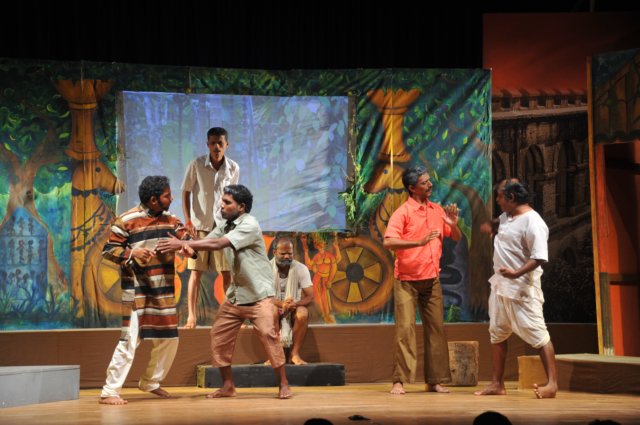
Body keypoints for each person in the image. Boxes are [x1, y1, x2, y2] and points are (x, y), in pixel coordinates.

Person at [157, 184, 292, 399]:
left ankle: (284, 383)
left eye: (227, 202)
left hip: (259, 296)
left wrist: (181, 242)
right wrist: (188, 248)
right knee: (219, 334)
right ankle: (228, 386)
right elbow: (206, 242)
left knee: (269, 335)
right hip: (236, 296)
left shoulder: (249, 224)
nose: (221, 205)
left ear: (241, 207)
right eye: (222, 201)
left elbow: (218, 243)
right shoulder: (225, 225)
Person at [99, 176, 193, 405]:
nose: (172, 198)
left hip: (162, 290)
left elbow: (187, 239)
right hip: (137, 290)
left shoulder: (171, 220)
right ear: (153, 200)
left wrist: (186, 247)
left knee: (170, 339)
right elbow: (109, 250)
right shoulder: (126, 220)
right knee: (130, 340)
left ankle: (150, 381)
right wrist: (133, 253)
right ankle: (109, 391)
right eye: (167, 196)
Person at [474, 180, 558, 399]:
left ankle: (552, 384)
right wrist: (491, 225)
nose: (497, 201)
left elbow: (539, 257)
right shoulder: (507, 217)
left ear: (511, 198)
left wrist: (516, 273)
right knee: (497, 333)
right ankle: (497, 384)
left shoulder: (533, 222)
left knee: (539, 335)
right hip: (500, 287)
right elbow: (501, 225)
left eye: (500, 197)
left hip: (522, 290)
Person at [383, 166, 462, 395]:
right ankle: (399, 380)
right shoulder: (403, 213)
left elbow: (455, 238)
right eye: (424, 182)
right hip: (406, 280)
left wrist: (453, 225)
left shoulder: (437, 210)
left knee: (436, 330)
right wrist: (418, 242)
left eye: (429, 181)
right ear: (412, 188)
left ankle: (435, 380)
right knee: (405, 330)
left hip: (432, 279)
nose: (430, 185)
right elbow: (389, 242)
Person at [181, 127, 240, 328]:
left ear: (226, 145)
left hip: (222, 227)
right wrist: (188, 220)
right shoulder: (196, 165)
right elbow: (186, 191)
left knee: (226, 273)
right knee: (196, 272)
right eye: (213, 143)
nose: (216, 147)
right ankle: (191, 317)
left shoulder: (233, 168)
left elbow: (232, 197)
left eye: (220, 143)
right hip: (199, 226)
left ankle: (232, 316)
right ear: (207, 144)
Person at [271, 236, 314, 365]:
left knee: (302, 314)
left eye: (290, 253)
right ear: (274, 252)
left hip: (293, 306)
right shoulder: (266, 269)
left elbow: (310, 296)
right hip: (275, 305)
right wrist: (282, 304)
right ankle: (275, 354)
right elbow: (263, 297)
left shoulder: (301, 269)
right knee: (271, 311)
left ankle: (294, 354)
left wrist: (295, 304)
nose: (287, 257)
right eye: (282, 253)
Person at [301, 232, 341, 323]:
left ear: (325, 243)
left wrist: (330, 280)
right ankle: (321, 314)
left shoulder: (330, 256)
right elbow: (309, 265)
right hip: (317, 278)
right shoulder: (316, 257)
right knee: (317, 295)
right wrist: (305, 248)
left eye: (320, 242)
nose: (318, 244)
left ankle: (327, 314)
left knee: (325, 295)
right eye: (316, 242)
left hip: (326, 278)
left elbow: (334, 266)